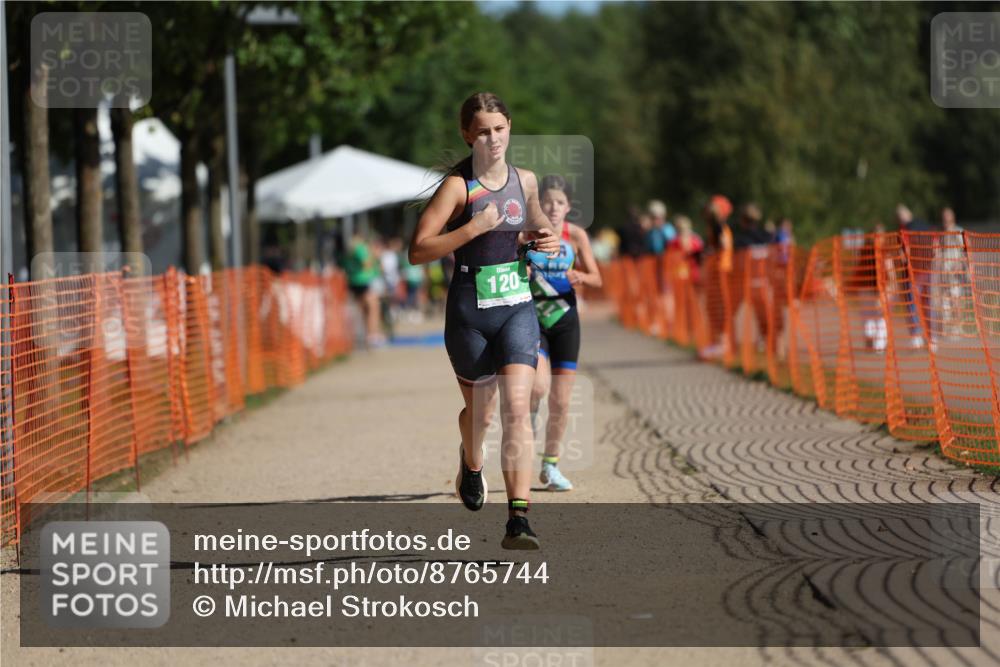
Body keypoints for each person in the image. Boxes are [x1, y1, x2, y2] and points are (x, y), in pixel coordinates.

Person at [408, 92, 559, 549]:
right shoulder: (459, 188)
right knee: (481, 414)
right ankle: (471, 463)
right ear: (467, 135)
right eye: (482, 132)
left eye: (499, 129)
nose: (493, 139)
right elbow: (418, 250)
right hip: (469, 313)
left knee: (517, 408)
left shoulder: (525, 180)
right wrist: (472, 228)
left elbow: (533, 223)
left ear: (510, 127)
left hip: (516, 306)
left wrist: (543, 238)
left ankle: (519, 519)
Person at [523, 175, 602, 492]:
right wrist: (523, 270)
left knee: (562, 401)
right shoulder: (527, 234)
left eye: (559, 202)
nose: (554, 208)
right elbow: (510, 266)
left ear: (568, 207)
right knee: (538, 387)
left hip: (566, 321)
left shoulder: (576, 235)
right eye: (548, 202)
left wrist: (580, 276)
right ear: (539, 205)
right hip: (534, 319)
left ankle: (551, 466)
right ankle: (528, 418)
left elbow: (597, 278)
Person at [343, 233, 383, 347]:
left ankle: (367, 334)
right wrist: (374, 257)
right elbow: (366, 264)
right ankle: (372, 335)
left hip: (356, 281)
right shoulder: (361, 249)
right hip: (364, 281)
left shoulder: (353, 250)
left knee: (364, 309)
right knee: (373, 308)